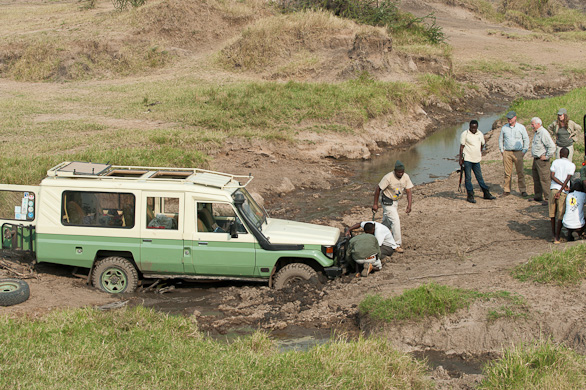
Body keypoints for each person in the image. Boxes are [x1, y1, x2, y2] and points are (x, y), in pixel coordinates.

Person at [372, 160, 413, 252]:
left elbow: (409, 191)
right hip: (387, 202)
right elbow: (378, 189)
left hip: (396, 202)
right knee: (395, 221)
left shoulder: (405, 177)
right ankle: (397, 244)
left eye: (402, 172)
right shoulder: (388, 177)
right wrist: (375, 204)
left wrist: (409, 205)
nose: (401, 174)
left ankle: (376, 234)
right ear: (395, 171)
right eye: (399, 172)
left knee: (387, 223)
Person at [458, 119, 496, 203]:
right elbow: (461, 147)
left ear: (477, 127)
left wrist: (479, 152)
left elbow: (482, 144)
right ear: (469, 127)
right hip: (467, 159)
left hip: (476, 159)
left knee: (480, 178)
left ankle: (486, 193)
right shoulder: (465, 134)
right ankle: (470, 195)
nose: (473, 129)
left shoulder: (480, 134)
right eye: (472, 128)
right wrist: (460, 159)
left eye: (475, 128)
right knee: (468, 178)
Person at [498, 111, 529, 197]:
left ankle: (523, 190)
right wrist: (502, 150)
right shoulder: (504, 128)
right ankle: (506, 189)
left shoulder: (521, 127)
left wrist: (524, 151)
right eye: (508, 118)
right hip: (507, 152)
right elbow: (500, 139)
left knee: (520, 172)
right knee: (507, 173)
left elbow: (526, 139)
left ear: (515, 118)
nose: (509, 120)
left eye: (510, 118)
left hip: (518, 152)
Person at [550, 147, 575, 244]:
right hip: (563, 192)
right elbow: (568, 179)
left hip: (553, 189)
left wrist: (558, 188)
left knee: (552, 214)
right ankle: (557, 237)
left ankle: (552, 234)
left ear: (560, 153)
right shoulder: (571, 165)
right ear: (568, 155)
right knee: (560, 214)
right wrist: (562, 189)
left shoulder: (555, 162)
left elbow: (552, 176)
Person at [530, 117, 556, 204]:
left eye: (533, 124)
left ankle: (548, 198)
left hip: (542, 161)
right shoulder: (537, 133)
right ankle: (538, 196)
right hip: (536, 159)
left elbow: (552, 146)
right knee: (536, 178)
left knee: (545, 179)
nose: (531, 126)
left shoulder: (543, 133)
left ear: (538, 124)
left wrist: (547, 156)